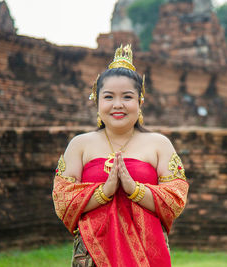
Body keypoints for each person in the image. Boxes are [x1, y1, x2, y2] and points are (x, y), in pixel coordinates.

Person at [52, 44, 189, 267]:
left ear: (140, 101)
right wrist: (104, 191)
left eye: (127, 97)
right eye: (108, 97)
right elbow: (62, 200)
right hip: (92, 255)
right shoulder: (79, 145)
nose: (118, 105)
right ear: (96, 101)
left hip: (147, 253)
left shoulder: (159, 144)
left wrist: (134, 189)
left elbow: (176, 198)